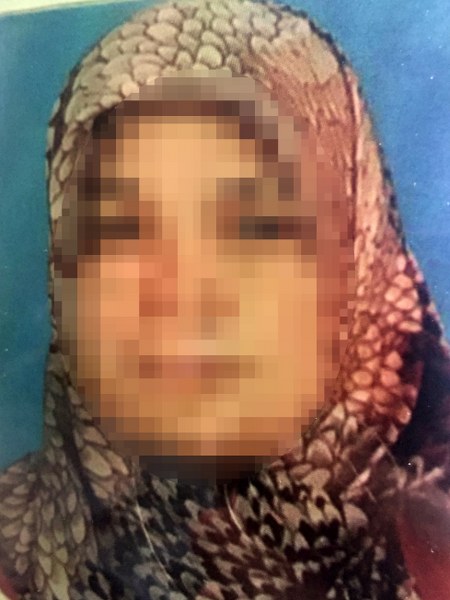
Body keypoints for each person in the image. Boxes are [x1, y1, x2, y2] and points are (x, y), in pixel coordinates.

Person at [1, 0, 450, 598]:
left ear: (357, 258)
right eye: (122, 229)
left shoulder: (434, 548)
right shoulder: (16, 546)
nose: (182, 290)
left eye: (255, 226)